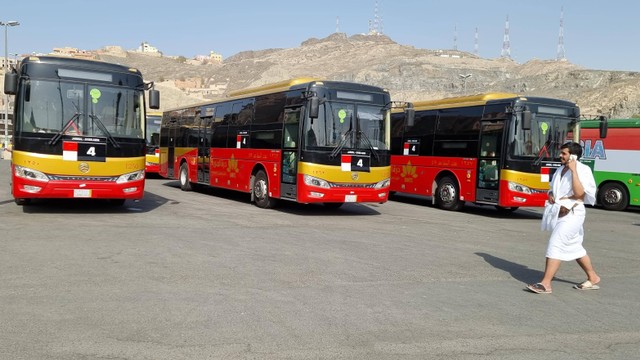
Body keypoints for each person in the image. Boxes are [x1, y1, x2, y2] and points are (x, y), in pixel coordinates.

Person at [527, 142, 600, 294]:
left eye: (564, 153)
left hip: (573, 214)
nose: (561, 155)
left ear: (573, 156)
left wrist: (574, 171)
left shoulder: (582, 170)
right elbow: (552, 189)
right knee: (575, 246)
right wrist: (551, 195)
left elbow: (580, 193)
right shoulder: (560, 169)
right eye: (561, 153)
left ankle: (545, 283)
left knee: (556, 244)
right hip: (558, 213)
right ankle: (592, 277)